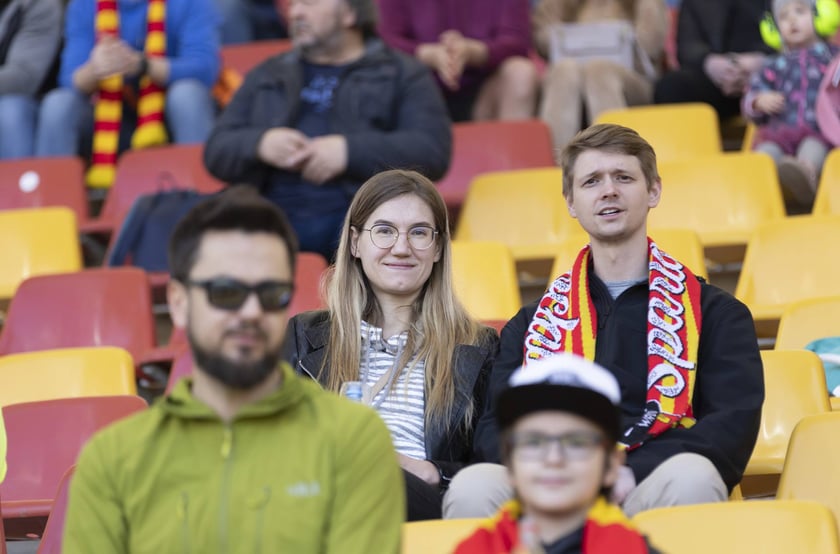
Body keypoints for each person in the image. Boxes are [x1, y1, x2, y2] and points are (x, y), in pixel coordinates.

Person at [443, 123, 764, 519]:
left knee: (693, 476)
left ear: (653, 191)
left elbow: (731, 424)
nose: (608, 190)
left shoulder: (716, 313)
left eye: (623, 177)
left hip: (649, 484)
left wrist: (627, 470)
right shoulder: (529, 326)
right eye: (592, 180)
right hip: (549, 488)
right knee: (474, 486)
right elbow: (493, 429)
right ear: (572, 203)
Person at [63, 187, 404, 553]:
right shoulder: (113, 461)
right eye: (226, 292)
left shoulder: (353, 440)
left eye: (272, 293)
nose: (251, 312)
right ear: (178, 304)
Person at [283, 169, 499, 521]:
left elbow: (494, 468)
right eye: (384, 231)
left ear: (439, 247)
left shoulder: (476, 348)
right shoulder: (305, 335)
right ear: (355, 242)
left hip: (418, 501)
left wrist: (430, 470)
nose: (401, 247)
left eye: (419, 233)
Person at [204, 0, 452, 262]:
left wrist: (349, 151)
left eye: (308, 3)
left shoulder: (402, 73)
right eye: (294, 4)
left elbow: (432, 151)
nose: (295, 12)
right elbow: (216, 151)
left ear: (349, 13)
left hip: (359, 215)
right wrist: (260, 143)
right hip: (267, 216)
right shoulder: (267, 74)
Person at [455, 354, 661, 553]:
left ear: (611, 466)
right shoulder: (473, 549)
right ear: (510, 462)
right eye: (533, 442)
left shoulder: (636, 550)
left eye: (577, 443)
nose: (554, 459)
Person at [35, 0, 220, 188]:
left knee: (186, 94)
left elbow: (205, 69)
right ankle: (50, 203)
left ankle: (205, 196)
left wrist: (143, 65)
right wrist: (97, 68)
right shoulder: (84, 4)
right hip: (109, 122)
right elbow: (69, 78)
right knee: (59, 104)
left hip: (168, 119)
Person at [742, 0, 840, 209]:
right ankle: (763, 192)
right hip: (780, 133)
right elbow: (751, 95)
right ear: (774, 29)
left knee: (812, 149)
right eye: (784, 17)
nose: (792, 20)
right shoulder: (773, 64)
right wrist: (759, 101)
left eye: (800, 11)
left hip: (819, 132)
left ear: (819, 17)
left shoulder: (832, 57)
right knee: (765, 153)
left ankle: (805, 179)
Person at [532, 0, 668, 150]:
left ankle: (615, 156)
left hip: (632, 83)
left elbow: (652, 47)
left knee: (599, 69)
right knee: (564, 70)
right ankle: (554, 162)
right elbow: (543, 45)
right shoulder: (560, 4)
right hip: (571, 81)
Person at [377, 0, 539, 122]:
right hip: (418, 89)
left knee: (521, 72)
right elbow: (386, 40)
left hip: (485, 90)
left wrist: (473, 52)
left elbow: (518, 41)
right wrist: (427, 54)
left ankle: (513, 160)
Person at [653, 0, 773, 120]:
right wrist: (711, 64)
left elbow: (785, 30)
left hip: (772, 75)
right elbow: (687, 47)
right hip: (714, 81)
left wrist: (761, 62)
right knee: (671, 87)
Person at [0, 0, 62, 159]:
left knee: (10, 109)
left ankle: (17, 182)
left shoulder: (39, 5)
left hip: (30, 104)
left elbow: (24, 76)